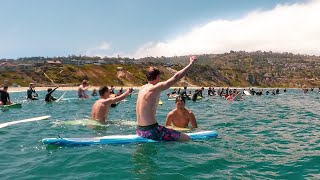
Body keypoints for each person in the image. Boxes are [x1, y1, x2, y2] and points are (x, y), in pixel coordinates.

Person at [136, 56, 198, 141]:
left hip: (140, 131)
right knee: (187, 138)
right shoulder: (153, 88)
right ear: (158, 76)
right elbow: (176, 77)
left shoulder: (142, 88)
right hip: (152, 131)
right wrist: (191, 64)